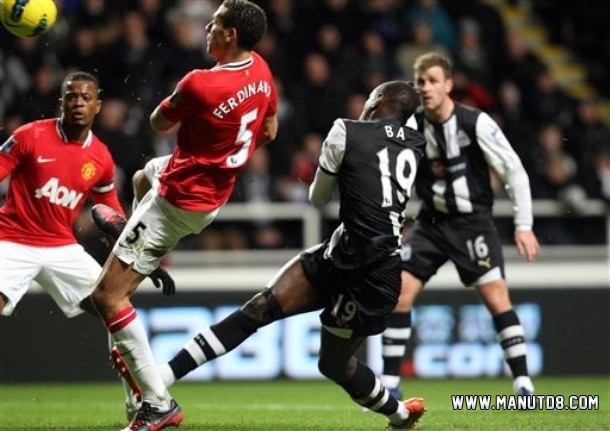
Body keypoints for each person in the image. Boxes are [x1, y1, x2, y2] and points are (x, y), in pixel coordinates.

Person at [113, 80, 428, 429]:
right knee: (258, 308)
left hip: (367, 274)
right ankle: (158, 380)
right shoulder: (415, 142)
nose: (364, 106)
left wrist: (339, 165)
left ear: (378, 101)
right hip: (350, 254)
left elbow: (317, 199)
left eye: (369, 99)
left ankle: (400, 414)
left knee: (334, 365)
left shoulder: (346, 130)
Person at [88, 1, 278, 430]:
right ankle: (134, 239)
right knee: (143, 176)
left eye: (215, 22)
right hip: (211, 195)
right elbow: (269, 131)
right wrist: (226, 156)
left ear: (229, 34)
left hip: (178, 199)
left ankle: (159, 404)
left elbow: (158, 122)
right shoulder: (262, 71)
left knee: (107, 297)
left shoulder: (200, 83)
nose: (207, 26)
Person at [378, 52, 540, 400]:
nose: (426, 88)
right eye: (421, 82)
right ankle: (390, 385)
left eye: (433, 81)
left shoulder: (476, 123)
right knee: (398, 293)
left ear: (449, 85)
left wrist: (523, 224)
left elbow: (513, 170)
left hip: (472, 224)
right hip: (431, 223)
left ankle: (523, 383)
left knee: (496, 298)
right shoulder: (412, 125)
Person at [0, 71, 141, 412]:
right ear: (62, 102)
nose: (78, 103)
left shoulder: (101, 157)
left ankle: (141, 399)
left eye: (85, 97)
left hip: (62, 246)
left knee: (116, 305)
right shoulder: (29, 136)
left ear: (97, 106)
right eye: (71, 96)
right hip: (12, 239)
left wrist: (132, 246)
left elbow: (110, 210)